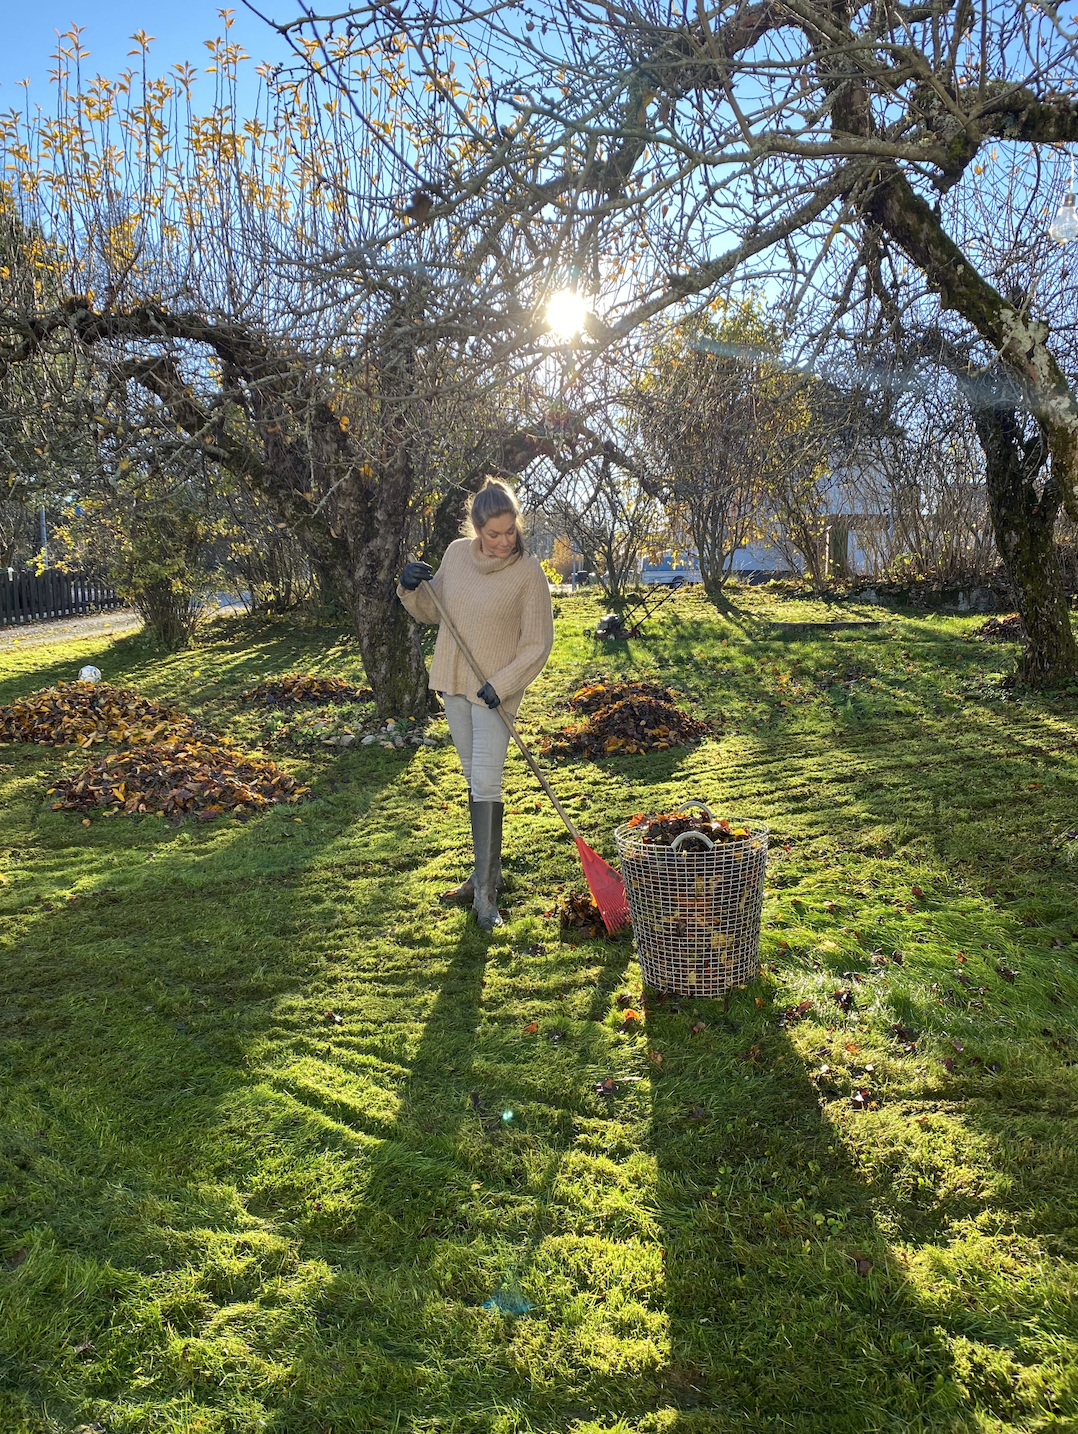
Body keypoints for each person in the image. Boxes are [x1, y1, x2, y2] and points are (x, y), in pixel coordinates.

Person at [397, 479, 555, 931]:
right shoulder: (455, 555)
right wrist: (410, 588)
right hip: (455, 681)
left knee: (486, 780)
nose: (505, 541)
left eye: (511, 531)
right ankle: (486, 874)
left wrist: (502, 683)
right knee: (473, 778)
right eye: (494, 534)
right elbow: (433, 610)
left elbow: (538, 644)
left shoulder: (528, 573)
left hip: (494, 695)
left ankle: (485, 896)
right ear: (476, 529)